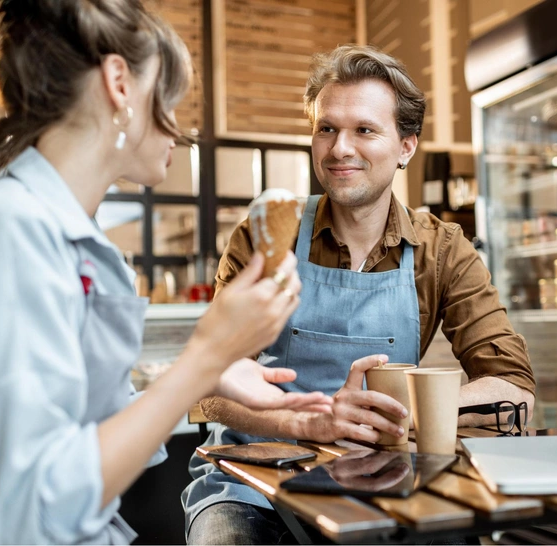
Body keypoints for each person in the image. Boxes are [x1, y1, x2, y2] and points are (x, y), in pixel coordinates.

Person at [0, 1, 334, 544]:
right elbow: (37, 512)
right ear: (119, 83)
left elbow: (79, 435)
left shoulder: (73, 244)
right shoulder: (3, 233)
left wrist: (209, 372)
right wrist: (204, 358)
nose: (178, 128)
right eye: (170, 98)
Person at [182, 44, 536, 545]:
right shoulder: (267, 235)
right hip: (254, 481)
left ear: (406, 145)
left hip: (382, 475)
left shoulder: (441, 251)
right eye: (326, 128)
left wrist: (396, 414)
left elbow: (513, 387)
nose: (339, 148)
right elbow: (207, 390)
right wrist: (307, 422)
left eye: (364, 130)